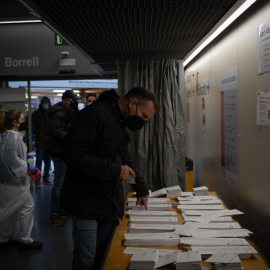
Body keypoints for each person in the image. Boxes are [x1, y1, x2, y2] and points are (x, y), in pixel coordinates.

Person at [61, 87, 159, 270]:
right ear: (132, 103)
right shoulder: (94, 115)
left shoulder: (119, 120)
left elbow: (125, 158)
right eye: (144, 116)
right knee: (85, 259)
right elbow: (73, 156)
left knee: (102, 256)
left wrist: (141, 188)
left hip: (107, 202)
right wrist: (114, 170)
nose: (143, 122)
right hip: (86, 202)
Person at [0, 109, 43, 250]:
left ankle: (4, 238)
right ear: (14, 122)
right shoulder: (11, 138)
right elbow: (12, 160)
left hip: (11, 182)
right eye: (21, 119)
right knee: (23, 208)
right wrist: (30, 169)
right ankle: (25, 241)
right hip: (14, 182)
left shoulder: (11, 136)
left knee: (10, 210)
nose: (23, 121)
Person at [46, 90, 78, 226]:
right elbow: (57, 132)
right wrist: (73, 137)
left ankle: (60, 209)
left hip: (62, 151)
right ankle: (53, 214)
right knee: (59, 183)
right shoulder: (60, 112)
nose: (74, 103)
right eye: (73, 100)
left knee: (63, 182)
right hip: (60, 152)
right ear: (66, 100)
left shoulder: (66, 111)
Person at [32, 96, 52, 188]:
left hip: (49, 141)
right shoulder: (36, 113)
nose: (45, 103)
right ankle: (37, 180)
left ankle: (46, 177)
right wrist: (38, 133)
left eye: (46, 102)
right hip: (40, 141)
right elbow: (31, 125)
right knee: (39, 161)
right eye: (43, 102)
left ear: (49, 103)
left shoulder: (52, 113)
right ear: (41, 103)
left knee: (48, 161)